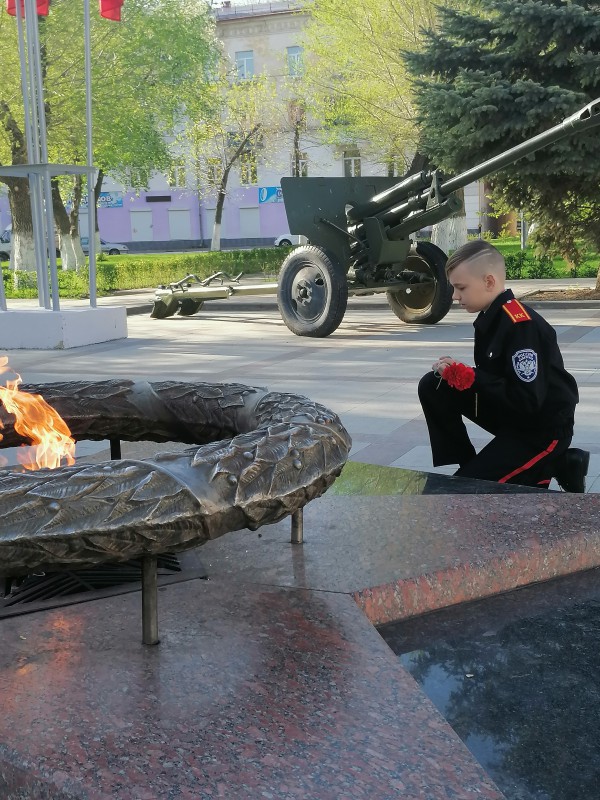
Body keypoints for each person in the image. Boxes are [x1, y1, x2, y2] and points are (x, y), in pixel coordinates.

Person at [418, 239, 589, 491]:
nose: (455, 296)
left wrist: (472, 377)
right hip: (514, 417)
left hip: (542, 430)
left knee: (462, 493)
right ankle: (469, 465)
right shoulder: (490, 316)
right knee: (434, 384)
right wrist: (459, 375)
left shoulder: (520, 325)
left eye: (460, 288)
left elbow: (528, 401)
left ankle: (552, 463)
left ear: (489, 282)